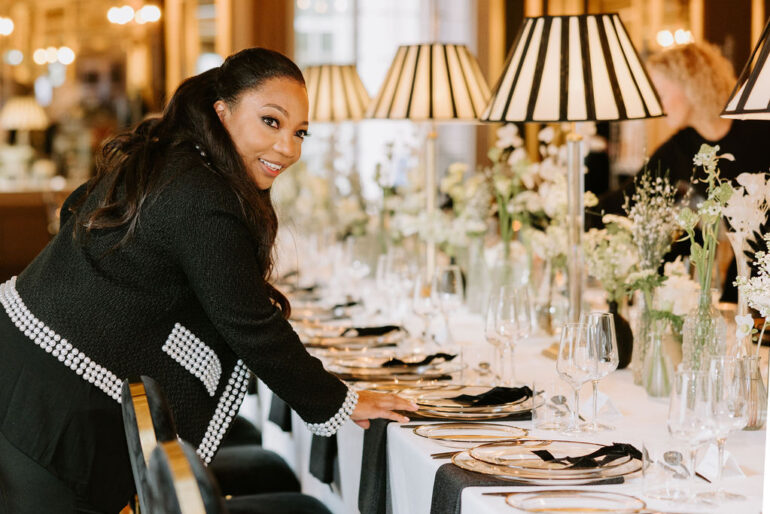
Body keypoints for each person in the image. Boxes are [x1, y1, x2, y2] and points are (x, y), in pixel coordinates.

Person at [0, 48, 417, 513]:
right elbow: (250, 323)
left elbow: (75, 206)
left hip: (25, 365)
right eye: (271, 122)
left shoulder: (176, 161)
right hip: (43, 399)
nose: (289, 148)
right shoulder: (201, 191)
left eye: (300, 132)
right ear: (223, 112)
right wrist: (340, 402)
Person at [598, 42, 770, 298]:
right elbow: (628, 198)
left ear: (691, 85)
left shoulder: (759, 128)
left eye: (661, 93)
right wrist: (568, 212)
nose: (658, 105)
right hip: (744, 273)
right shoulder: (681, 146)